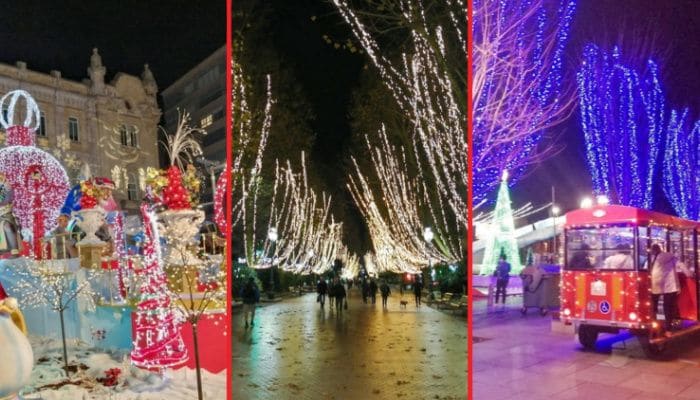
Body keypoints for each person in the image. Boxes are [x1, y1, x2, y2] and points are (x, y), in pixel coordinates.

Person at [649, 243, 680, 335]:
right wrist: (689, 274)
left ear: (654, 251)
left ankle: (655, 323)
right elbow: (680, 265)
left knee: (654, 305)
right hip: (669, 287)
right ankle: (668, 329)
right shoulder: (670, 257)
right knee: (668, 307)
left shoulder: (655, 259)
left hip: (657, 286)